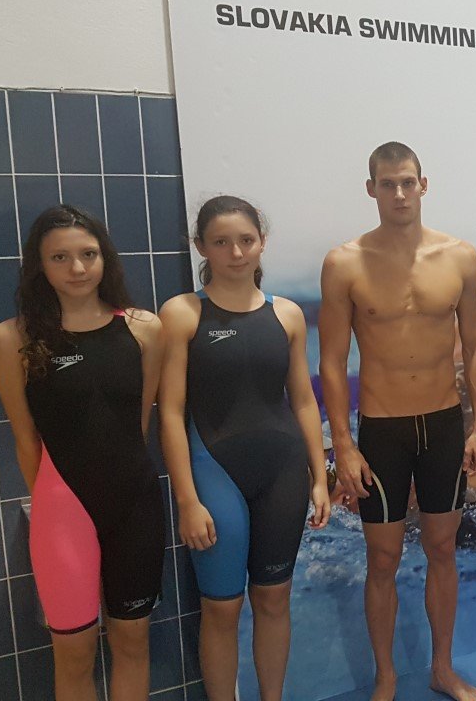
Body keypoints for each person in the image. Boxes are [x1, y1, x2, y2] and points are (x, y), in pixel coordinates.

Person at [319, 142, 476, 701]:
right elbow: (331, 361)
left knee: (443, 549)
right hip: (382, 428)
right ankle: (386, 676)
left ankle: (442, 668)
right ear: (371, 189)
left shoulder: (460, 257)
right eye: (387, 183)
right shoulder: (345, 263)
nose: (398, 193)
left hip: (442, 423)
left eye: (407, 182)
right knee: (383, 558)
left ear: (423, 184)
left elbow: (475, 346)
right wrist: (343, 444)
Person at [0, 205, 165, 701]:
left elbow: (138, 425)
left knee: (133, 643)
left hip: (135, 504)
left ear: (105, 257)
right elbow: (26, 440)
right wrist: (54, 503)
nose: (78, 268)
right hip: (63, 510)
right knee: (74, 654)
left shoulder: (144, 329)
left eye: (88, 254)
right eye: (60, 257)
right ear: (39, 266)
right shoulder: (14, 339)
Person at [158, 195, 331, 701]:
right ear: (201, 247)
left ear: (262, 243)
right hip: (215, 472)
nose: (235, 252)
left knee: (274, 601)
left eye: (246, 240)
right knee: (222, 608)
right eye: (221, 242)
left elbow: (303, 400)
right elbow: (170, 412)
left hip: (282, 471)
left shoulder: (287, 314)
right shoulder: (183, 314)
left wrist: (320, 477)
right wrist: (187, 500)